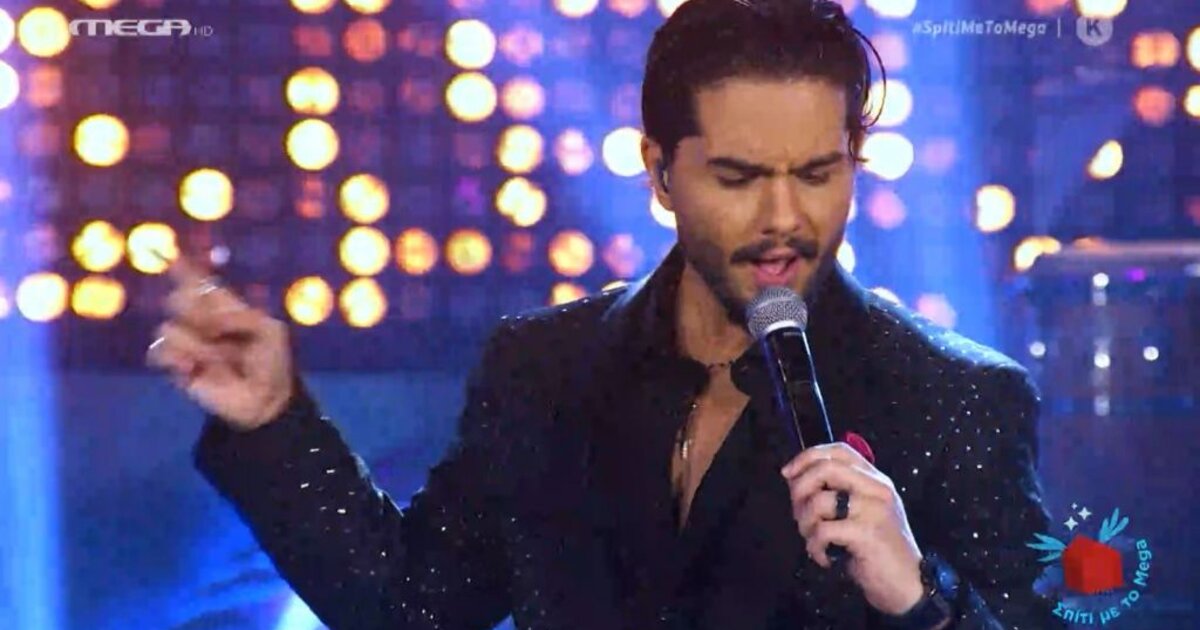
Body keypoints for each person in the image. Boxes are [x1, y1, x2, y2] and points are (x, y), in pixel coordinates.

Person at [147, 0, 1061, 628]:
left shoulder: (954, 399)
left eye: (818, 174)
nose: (785, 218)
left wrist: (921, 599)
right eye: (739, 177)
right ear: (659, 170)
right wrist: (273, 422)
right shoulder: (543, 370)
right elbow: (411, 608)